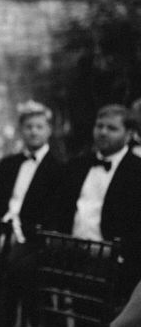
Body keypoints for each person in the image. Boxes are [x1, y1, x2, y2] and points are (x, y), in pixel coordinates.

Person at [0, 100, 63, 327]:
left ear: (49, 130)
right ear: (22, 130)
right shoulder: (9, 164)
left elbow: (57, 213)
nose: (33, 131)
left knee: (20, 271)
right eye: (29, 127)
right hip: (3, 233)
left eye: (39, 126)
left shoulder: (58, 168)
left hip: (34, 239)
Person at [51, 104, 141, 304]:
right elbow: (59, 210)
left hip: (113, 261)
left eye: (112, 128)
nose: (102, 132)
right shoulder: (77, 165)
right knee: (32, 275)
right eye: (99, 126)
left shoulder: (137, 172)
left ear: (129, 134)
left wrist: (119, 253)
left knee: (93, 306)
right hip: (70, 253)